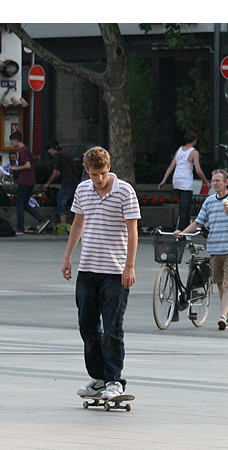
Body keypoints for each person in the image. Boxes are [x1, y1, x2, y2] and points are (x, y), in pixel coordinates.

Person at [62, 146, 140, 402]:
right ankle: (98, 378)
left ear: (109, 168)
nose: (99, 179)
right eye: (94, 174)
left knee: (112, 328)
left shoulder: (125, 191)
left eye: (103, 173)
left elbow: (132, 230)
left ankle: (115, 380)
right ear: (87, 170)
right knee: (87, 326)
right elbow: (78, 223)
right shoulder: (83, 190)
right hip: (87, 268)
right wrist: (68, 257)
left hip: (115, 272)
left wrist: (129, 266)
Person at [174, 169, 228, 330]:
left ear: (226, 182)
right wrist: (183, 232)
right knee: (221, 284)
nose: (215, 183)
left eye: (218, 181)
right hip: (215, 248)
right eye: (213, 181)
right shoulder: (209, 202)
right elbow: (198, 223)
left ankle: (222, 317)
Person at [158, 132, 210, 231]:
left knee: (182, 207)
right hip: (186, 181)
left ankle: (181, 229)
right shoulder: (194, 152)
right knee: (186, 209)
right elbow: (198, 170)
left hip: (177, 179)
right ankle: (183, 231)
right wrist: (206, 182)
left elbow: (172, 165)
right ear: (194, 140)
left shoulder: (179, 150)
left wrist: (164, 180)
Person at [9, 131, 49, 234]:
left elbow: (27, 165)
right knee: (25, 204)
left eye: (12, 142)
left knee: (20, 204)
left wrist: (16, 168)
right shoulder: (27, 150)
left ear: (16, 140)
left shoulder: (23, 151)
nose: (12, 144)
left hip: (24, 180)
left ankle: (20, 227)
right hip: (30, 180)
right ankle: (41, 219)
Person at [45, 141, 81, 229]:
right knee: (74, 204)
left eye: (50, 149)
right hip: (75, 182)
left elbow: (56, 173)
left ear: (54, 149)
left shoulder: (58, 157)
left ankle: (63, 225)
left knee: (61, 200)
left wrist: (48, 183)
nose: (49, 152)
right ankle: (77, 225)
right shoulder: (67, 155)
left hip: (67, 183)